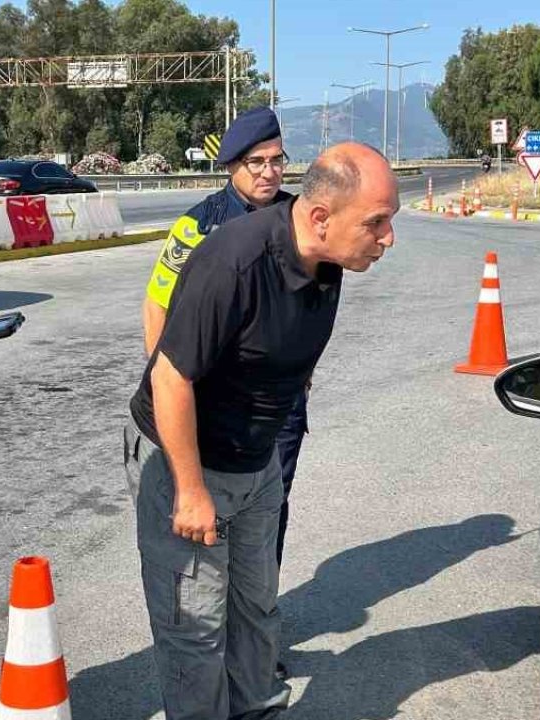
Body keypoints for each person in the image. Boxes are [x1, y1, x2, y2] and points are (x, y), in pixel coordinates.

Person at [124, 142, 399, 719]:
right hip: (188, 463)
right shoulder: (235, 262)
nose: (387, 238)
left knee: (256, 608)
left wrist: (286, 391)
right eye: (377, 223)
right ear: (321, 218)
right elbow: (171, 378)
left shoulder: (329, 259)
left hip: (257, 464)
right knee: (195, 627)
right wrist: (191, 490)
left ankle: (260, 709)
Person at [141, 106, 305, 579]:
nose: (270, 172)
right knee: (211, 516)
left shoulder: (297, 220)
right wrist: (165, 383)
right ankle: (220, 628)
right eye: (258, 162)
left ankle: (259, 627)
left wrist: (304, 378)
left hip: (280, 406)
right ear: (233, 165)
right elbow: (156, 305)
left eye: (277, 160)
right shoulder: (199, 227)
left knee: (271, 512)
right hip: (215, 406)